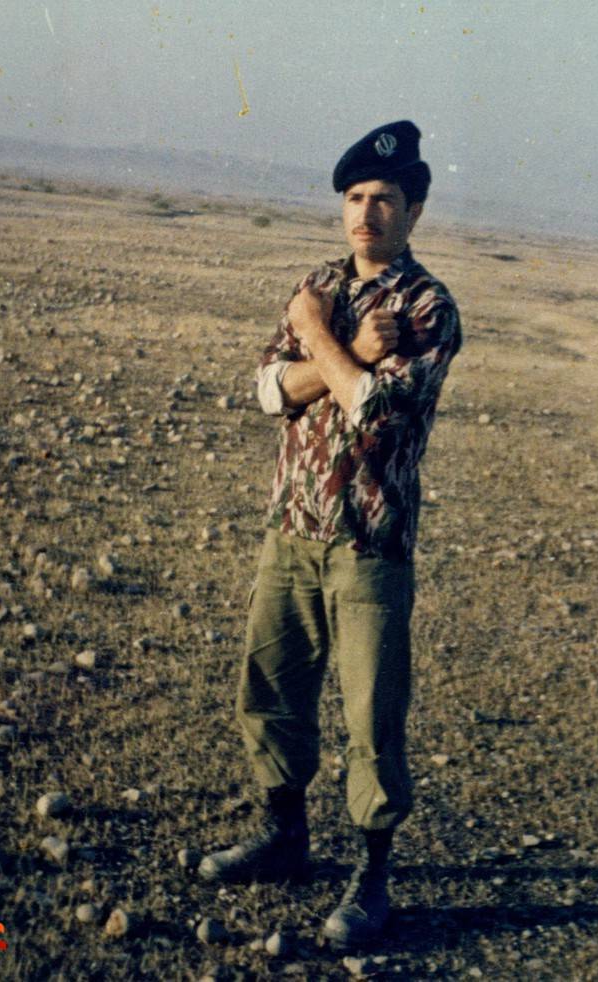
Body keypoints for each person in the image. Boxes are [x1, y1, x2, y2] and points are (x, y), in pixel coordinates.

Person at [198, 120, 462, 947]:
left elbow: (375, 408)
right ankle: (284, 838)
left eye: (384, 198)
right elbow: (269, 390)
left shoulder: (428, 308)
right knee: (271, 691)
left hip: (368, 542)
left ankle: (372, 877)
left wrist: (318, 343)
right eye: (354, 197)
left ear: (414, 211)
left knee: (371, 715)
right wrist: (342, 347)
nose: (366, 212)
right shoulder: (316, 287)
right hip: (293, 529)